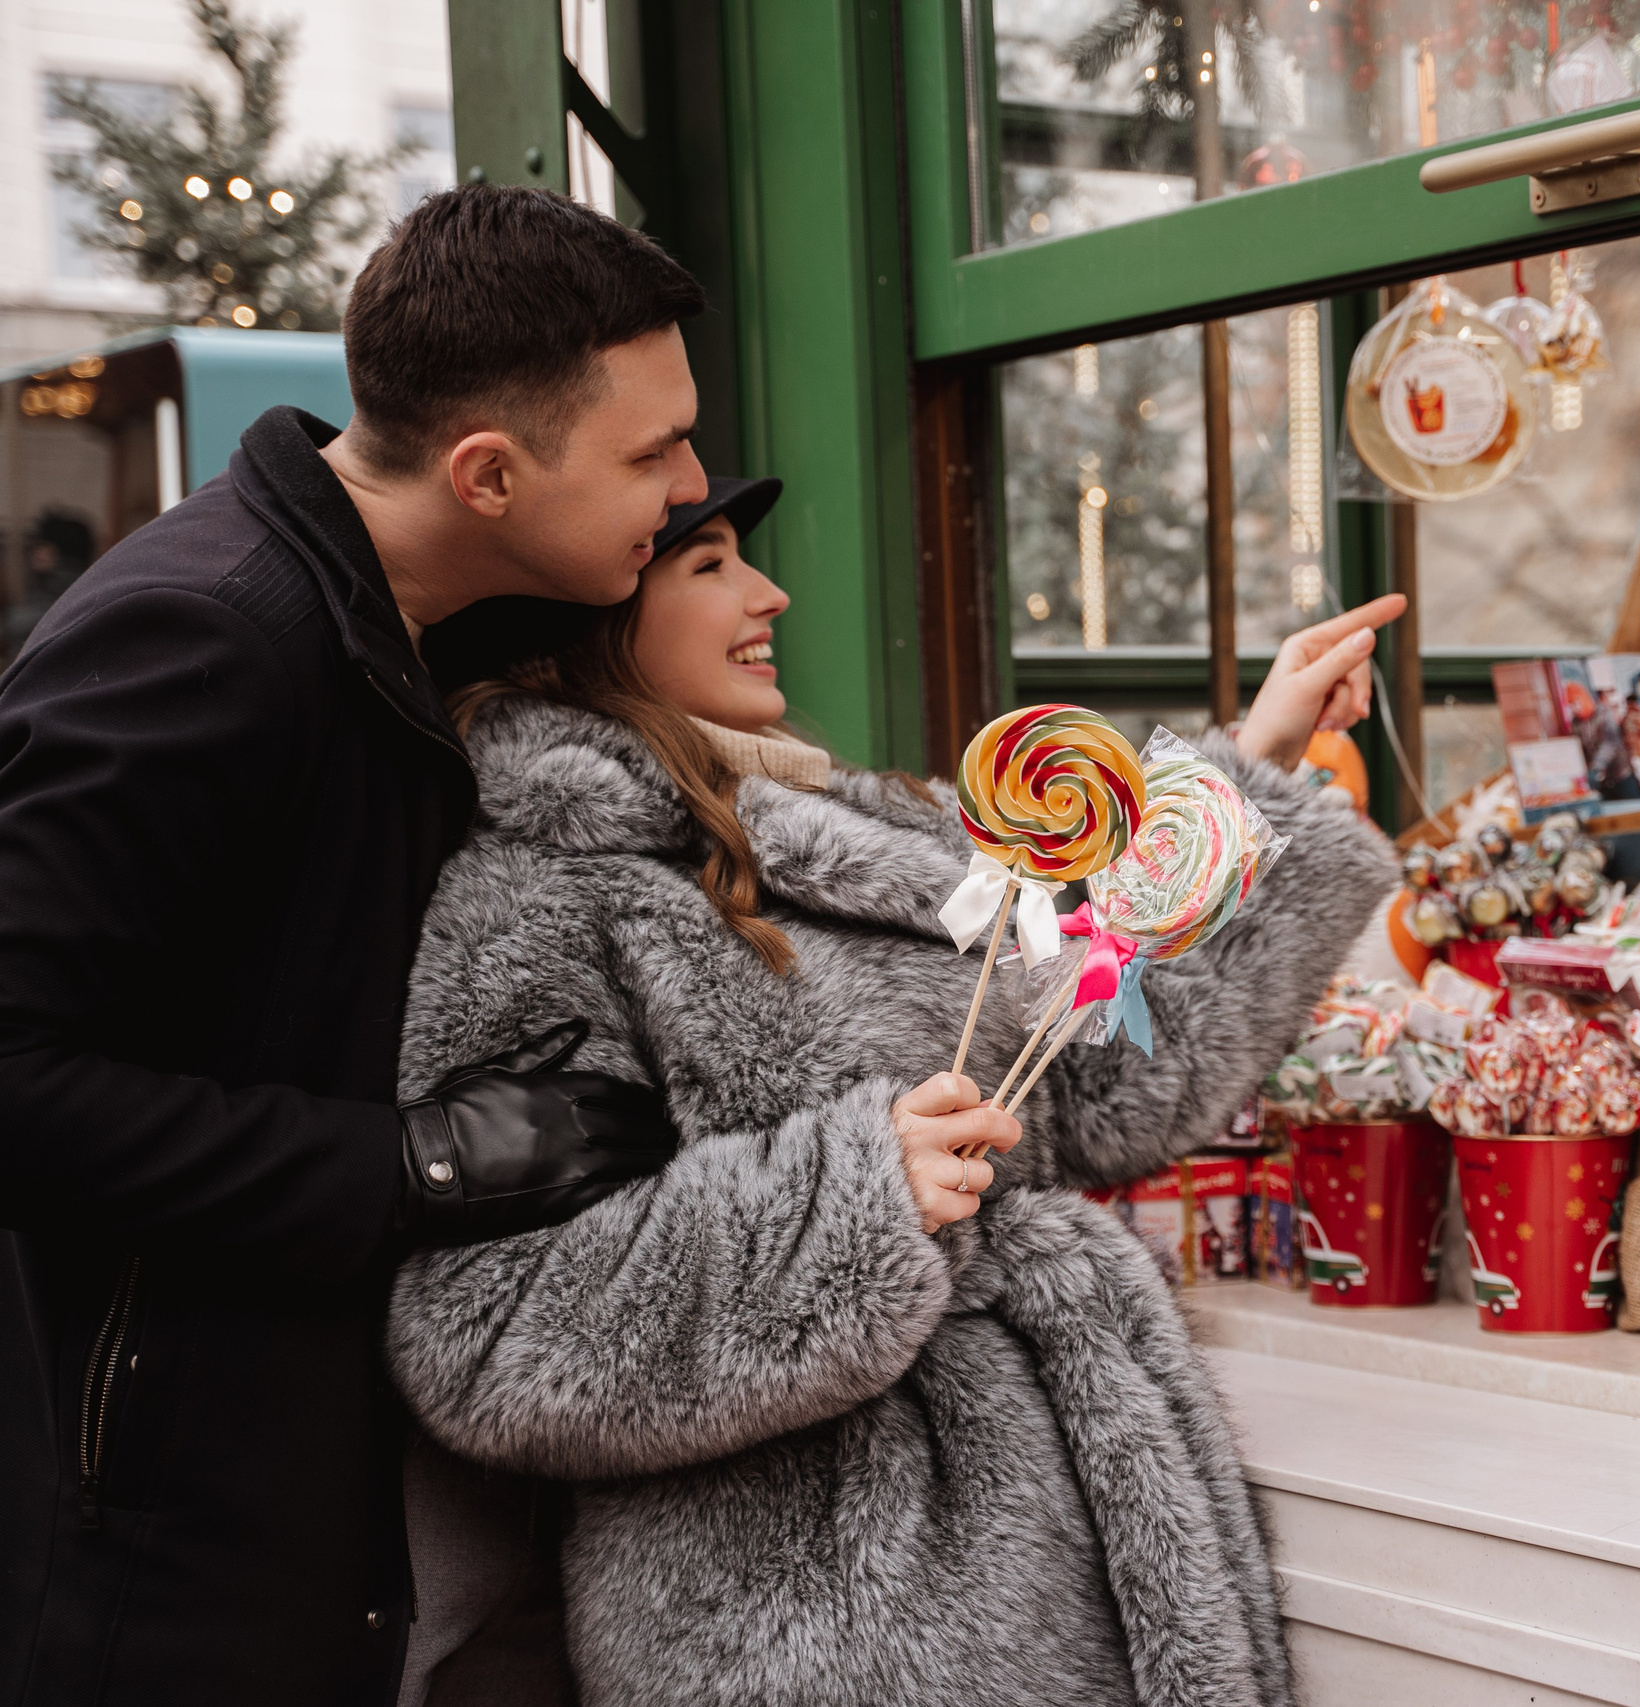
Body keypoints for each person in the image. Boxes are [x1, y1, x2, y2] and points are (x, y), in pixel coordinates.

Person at [389, 482, 1405, 1706]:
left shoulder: (840, 834)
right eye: (708, 566)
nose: (770, 595)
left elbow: (1107, 1086)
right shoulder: (541, 900)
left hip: (1045, 1557)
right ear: (585, 620)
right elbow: (495, 1334)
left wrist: (1253, 762)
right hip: (810, 1620)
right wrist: (857, 1197)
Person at [0, 186, 711, 1706]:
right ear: (489, 472)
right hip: (177, 1560)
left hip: (361, 1531)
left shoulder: (410, 619)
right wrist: (415, 1162)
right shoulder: (208, 632)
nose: (692, 483)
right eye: (653, 451)